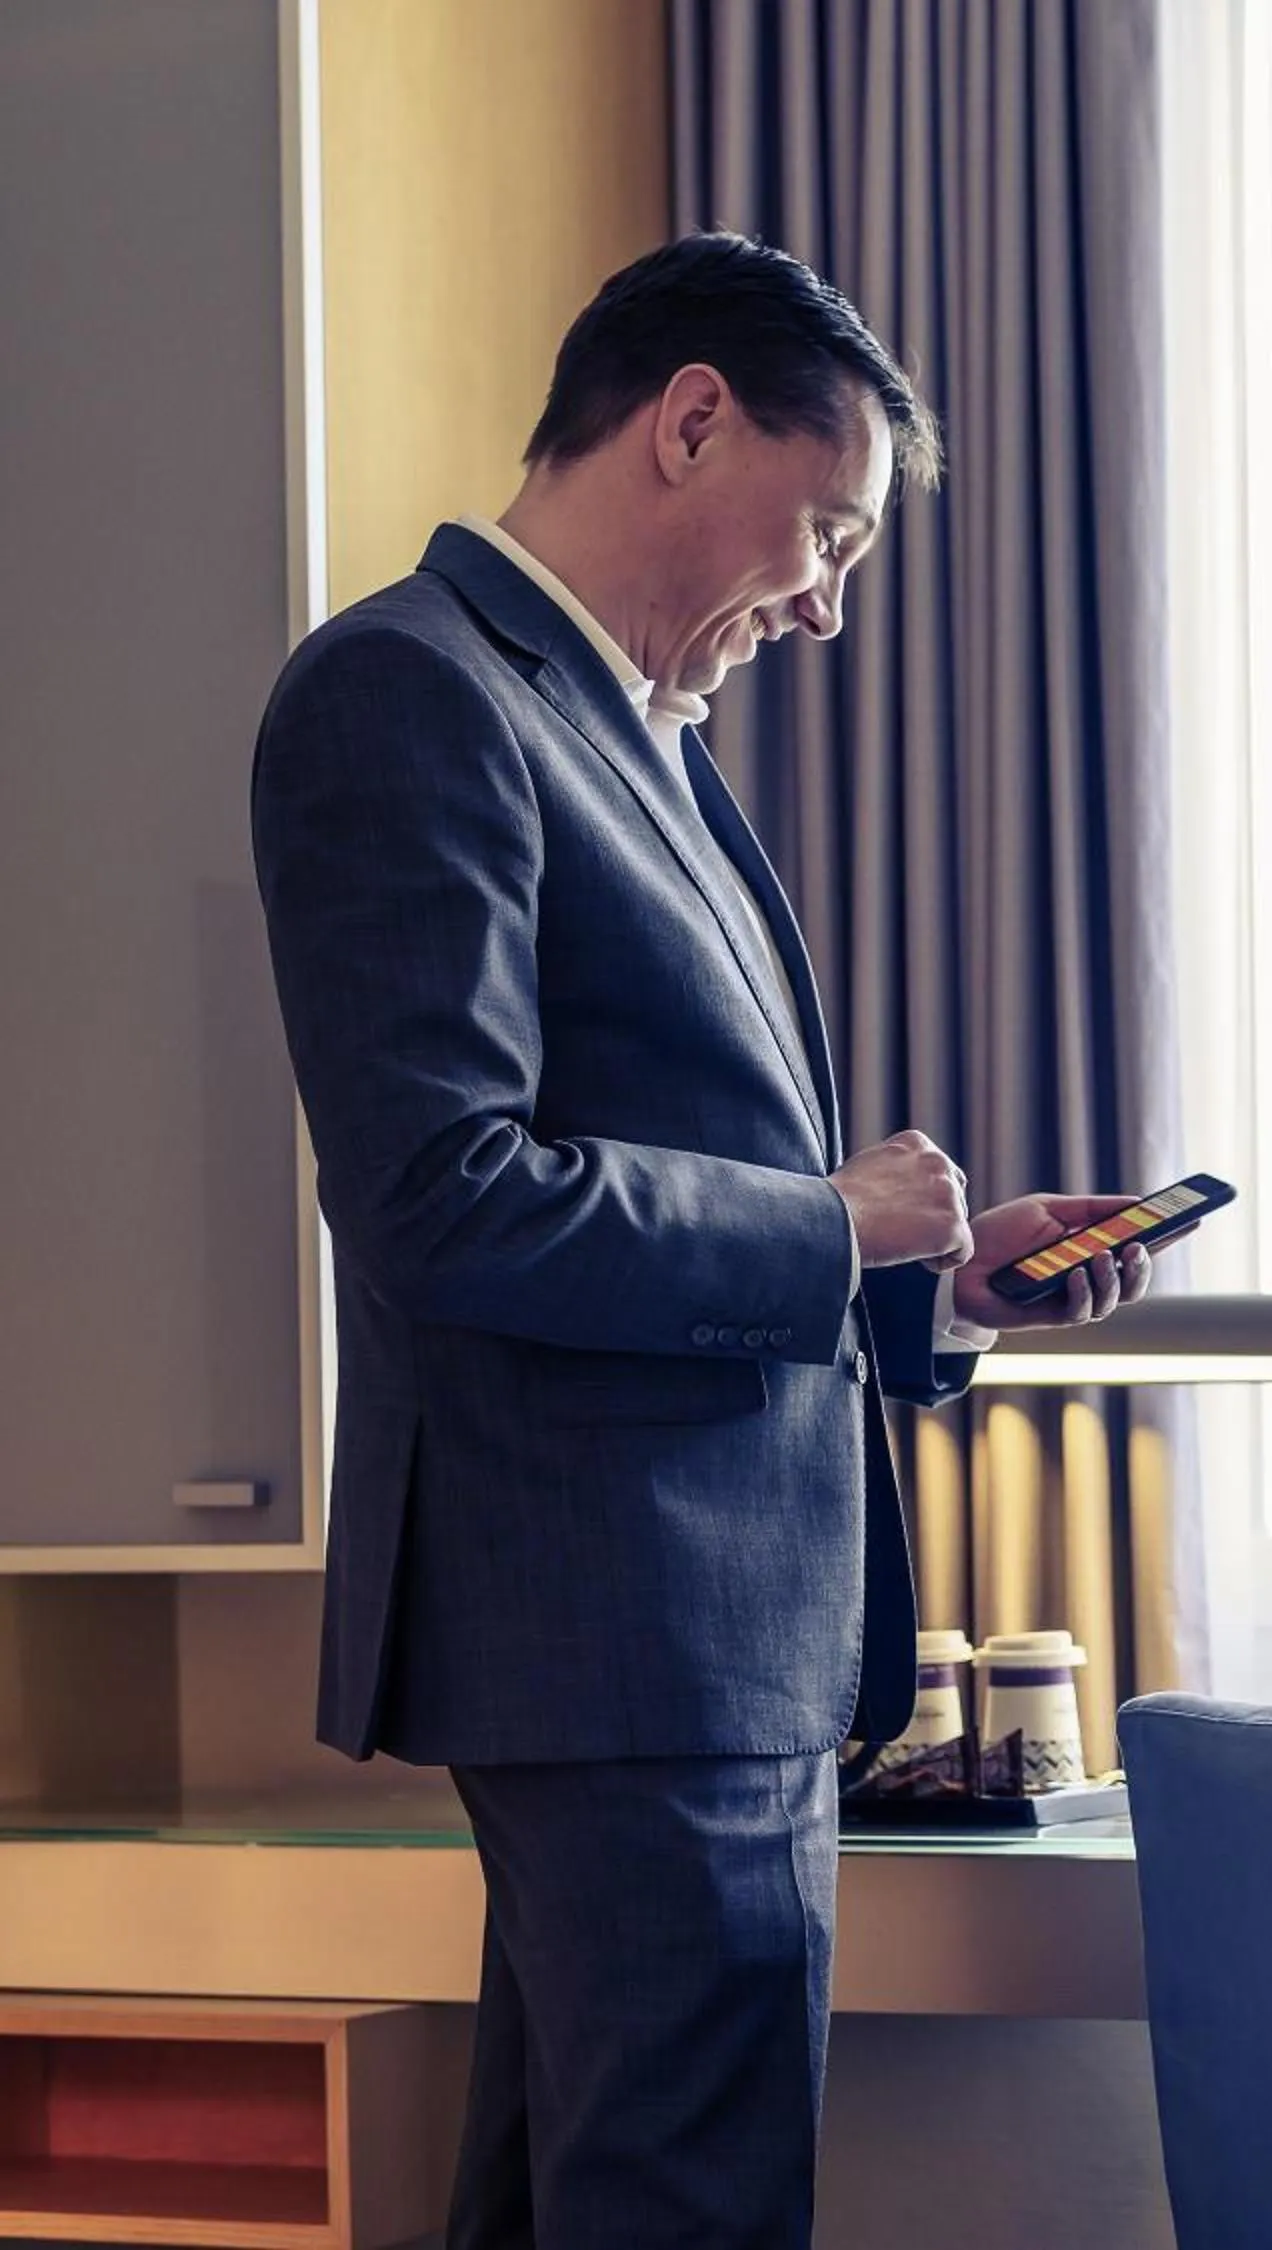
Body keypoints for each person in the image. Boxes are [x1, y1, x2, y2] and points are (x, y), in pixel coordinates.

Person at [250, 232, 1159, 2246]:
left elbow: (687, 1209)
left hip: (684, 1635)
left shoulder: (629, 732)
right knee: (686, 2202)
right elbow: (439, 1197)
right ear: (686, 423)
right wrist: (835, 1231)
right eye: (828, 531)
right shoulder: (409, 695)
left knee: (578, 2196)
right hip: (625, 1629)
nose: (829, 606)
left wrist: (934, 1280)